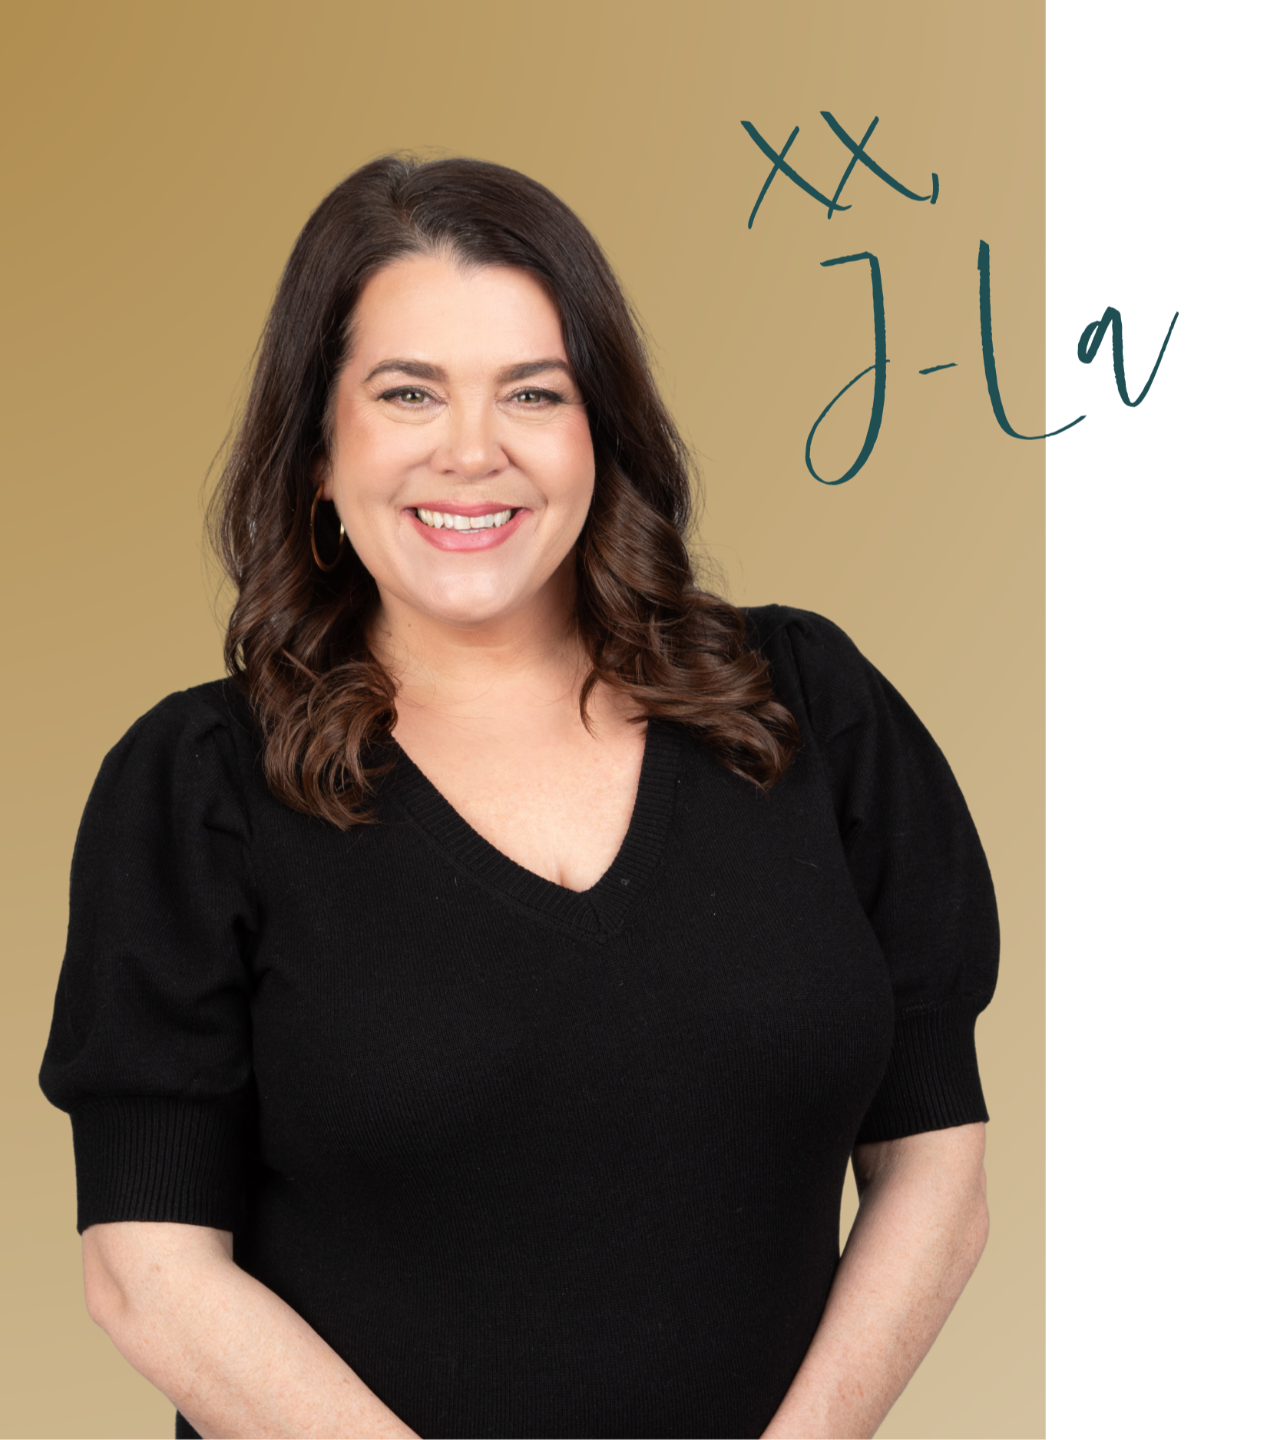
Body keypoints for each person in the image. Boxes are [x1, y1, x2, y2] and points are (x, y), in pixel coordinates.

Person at [39, 154, 999, 1440]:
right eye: (407, 393)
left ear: (599, 432)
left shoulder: (808, 709)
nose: (472, 452)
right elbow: (146, 1273)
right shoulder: (197, 790)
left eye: (532, 392)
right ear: (318, 451)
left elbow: (935, 1157)